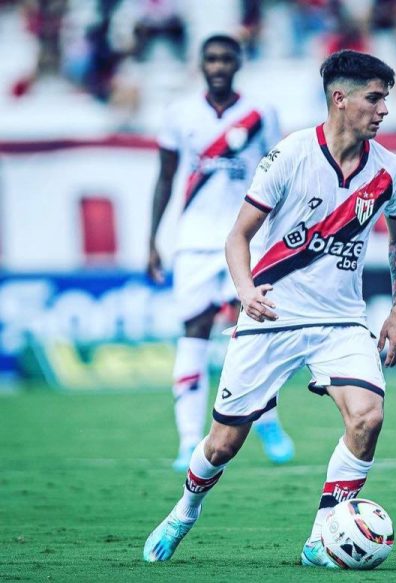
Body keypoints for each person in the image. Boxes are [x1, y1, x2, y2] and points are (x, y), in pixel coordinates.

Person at [143, 49, 396, 568]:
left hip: (341, 321)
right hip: (273, 315)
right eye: (374, 98)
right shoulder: (290, 155)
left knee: (368, 417)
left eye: (386, 99)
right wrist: (246, 292)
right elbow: (238, 236)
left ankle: (321, 536)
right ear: (341, 99)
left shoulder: (391, 172)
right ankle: (185, 510)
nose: (384, 110)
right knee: (222, 444)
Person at [147, 34, 295, 471]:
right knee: (194, 329)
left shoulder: (261, 114)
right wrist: (152, 239)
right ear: (201, 64)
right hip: (193, 240)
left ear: (237, 63)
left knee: (252, 330)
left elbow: (278, 176)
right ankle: (189, 440)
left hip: (246, 239)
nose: (217, 65)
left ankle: (267, 419)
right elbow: (165, 177)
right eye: (210, 58)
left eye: (225, 59)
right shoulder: (179, 114)